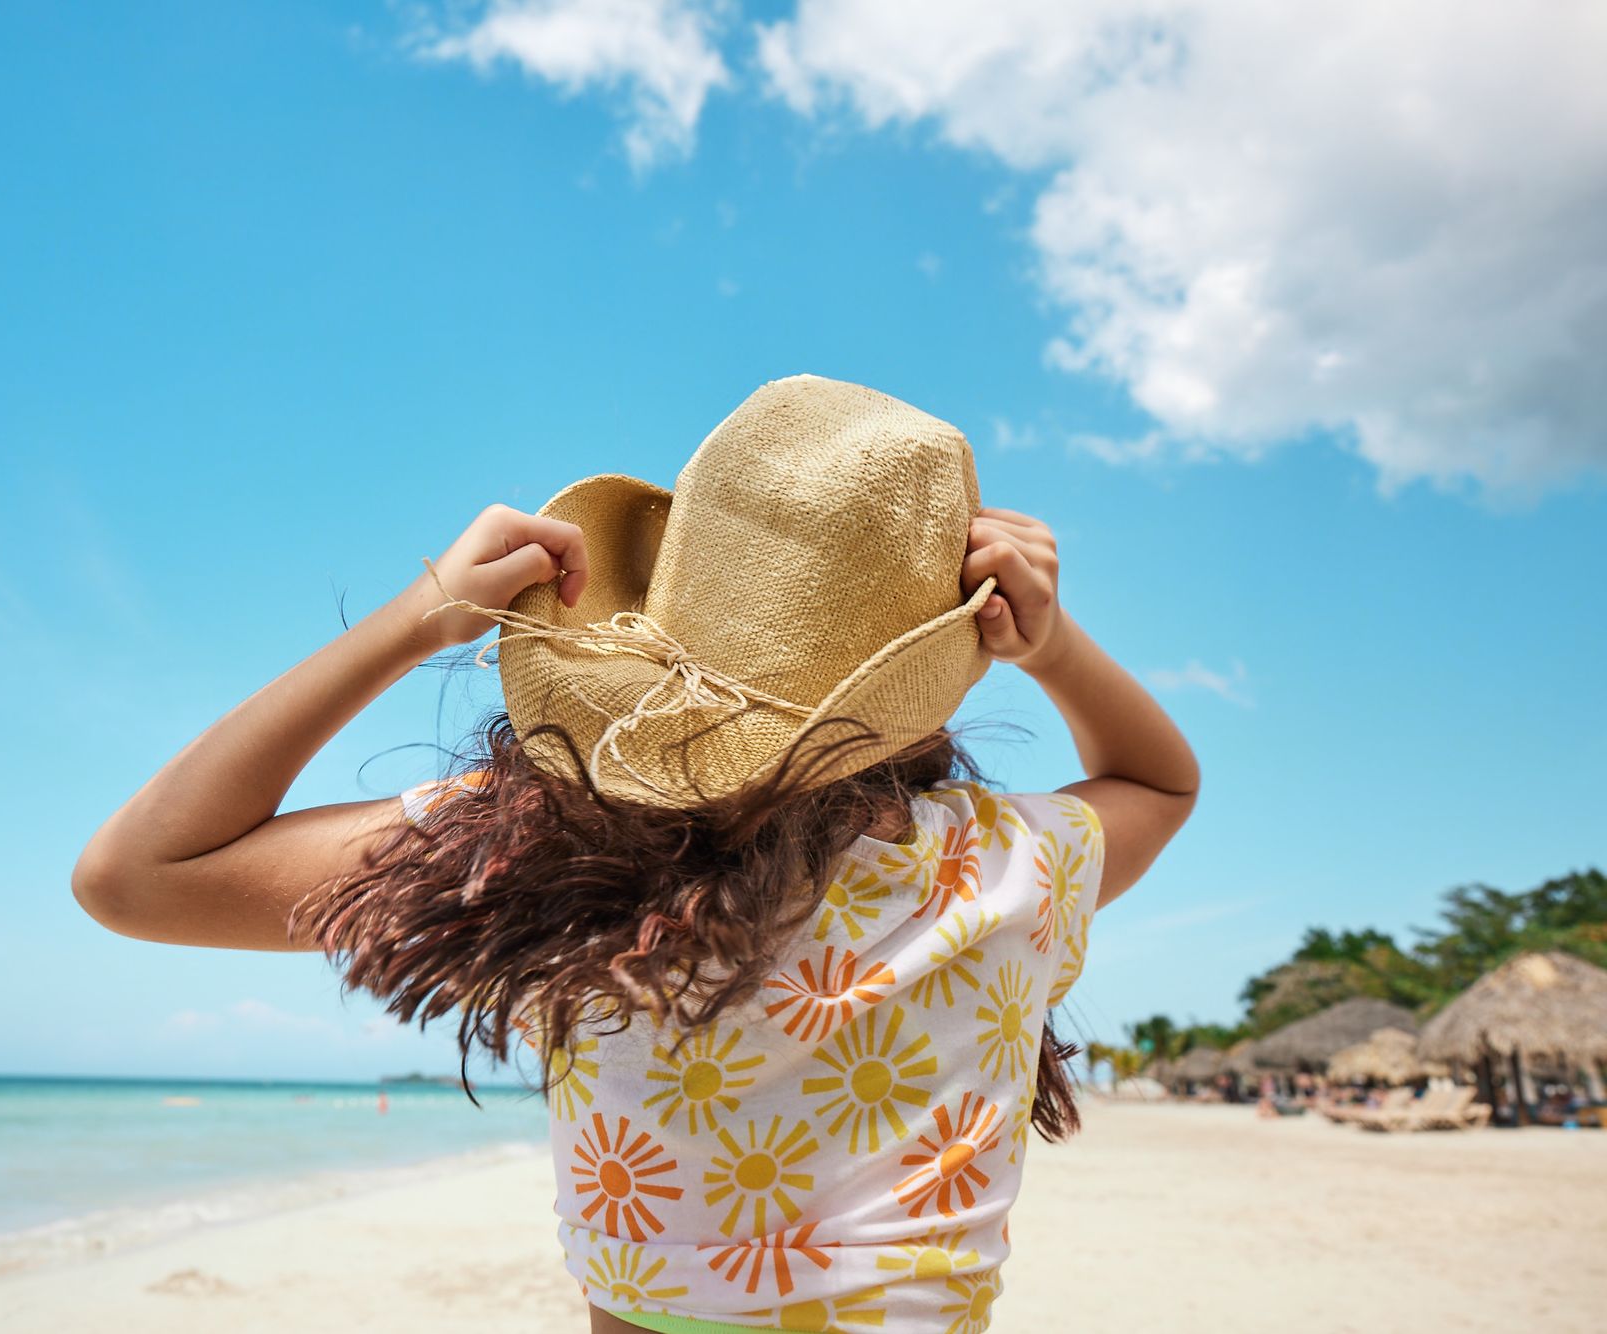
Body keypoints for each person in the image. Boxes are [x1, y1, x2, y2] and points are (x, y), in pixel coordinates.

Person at [72, 375, 1200, 1332]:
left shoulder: (543, 850)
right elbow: (1161, 777)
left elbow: (134, 874)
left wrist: (420, 614)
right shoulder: (1009, 866)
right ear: (945, 656)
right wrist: (1056, 649)